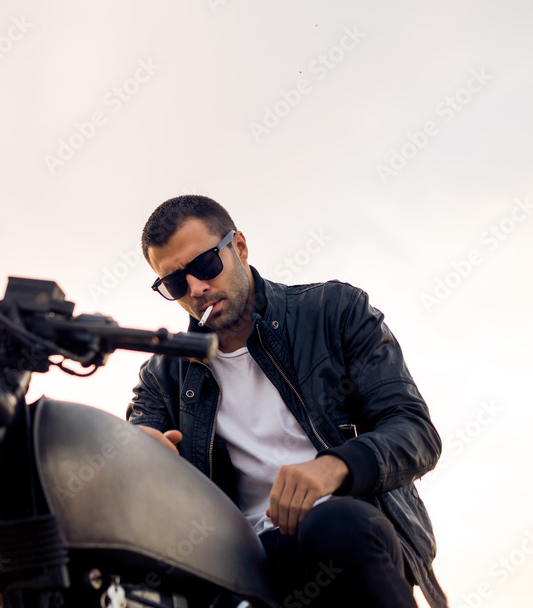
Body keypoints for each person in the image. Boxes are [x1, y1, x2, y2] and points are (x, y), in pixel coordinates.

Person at [126, 195, 446, 608]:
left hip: (344, 533)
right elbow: (134, 447)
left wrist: (334, 468)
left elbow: (416, 433)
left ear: (238, 247)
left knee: (334, 524)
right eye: (175, 283)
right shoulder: (162, 377)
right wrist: (138, 458)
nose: (197, 288)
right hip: (242, 566)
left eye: (205, 265)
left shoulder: (334, 310)